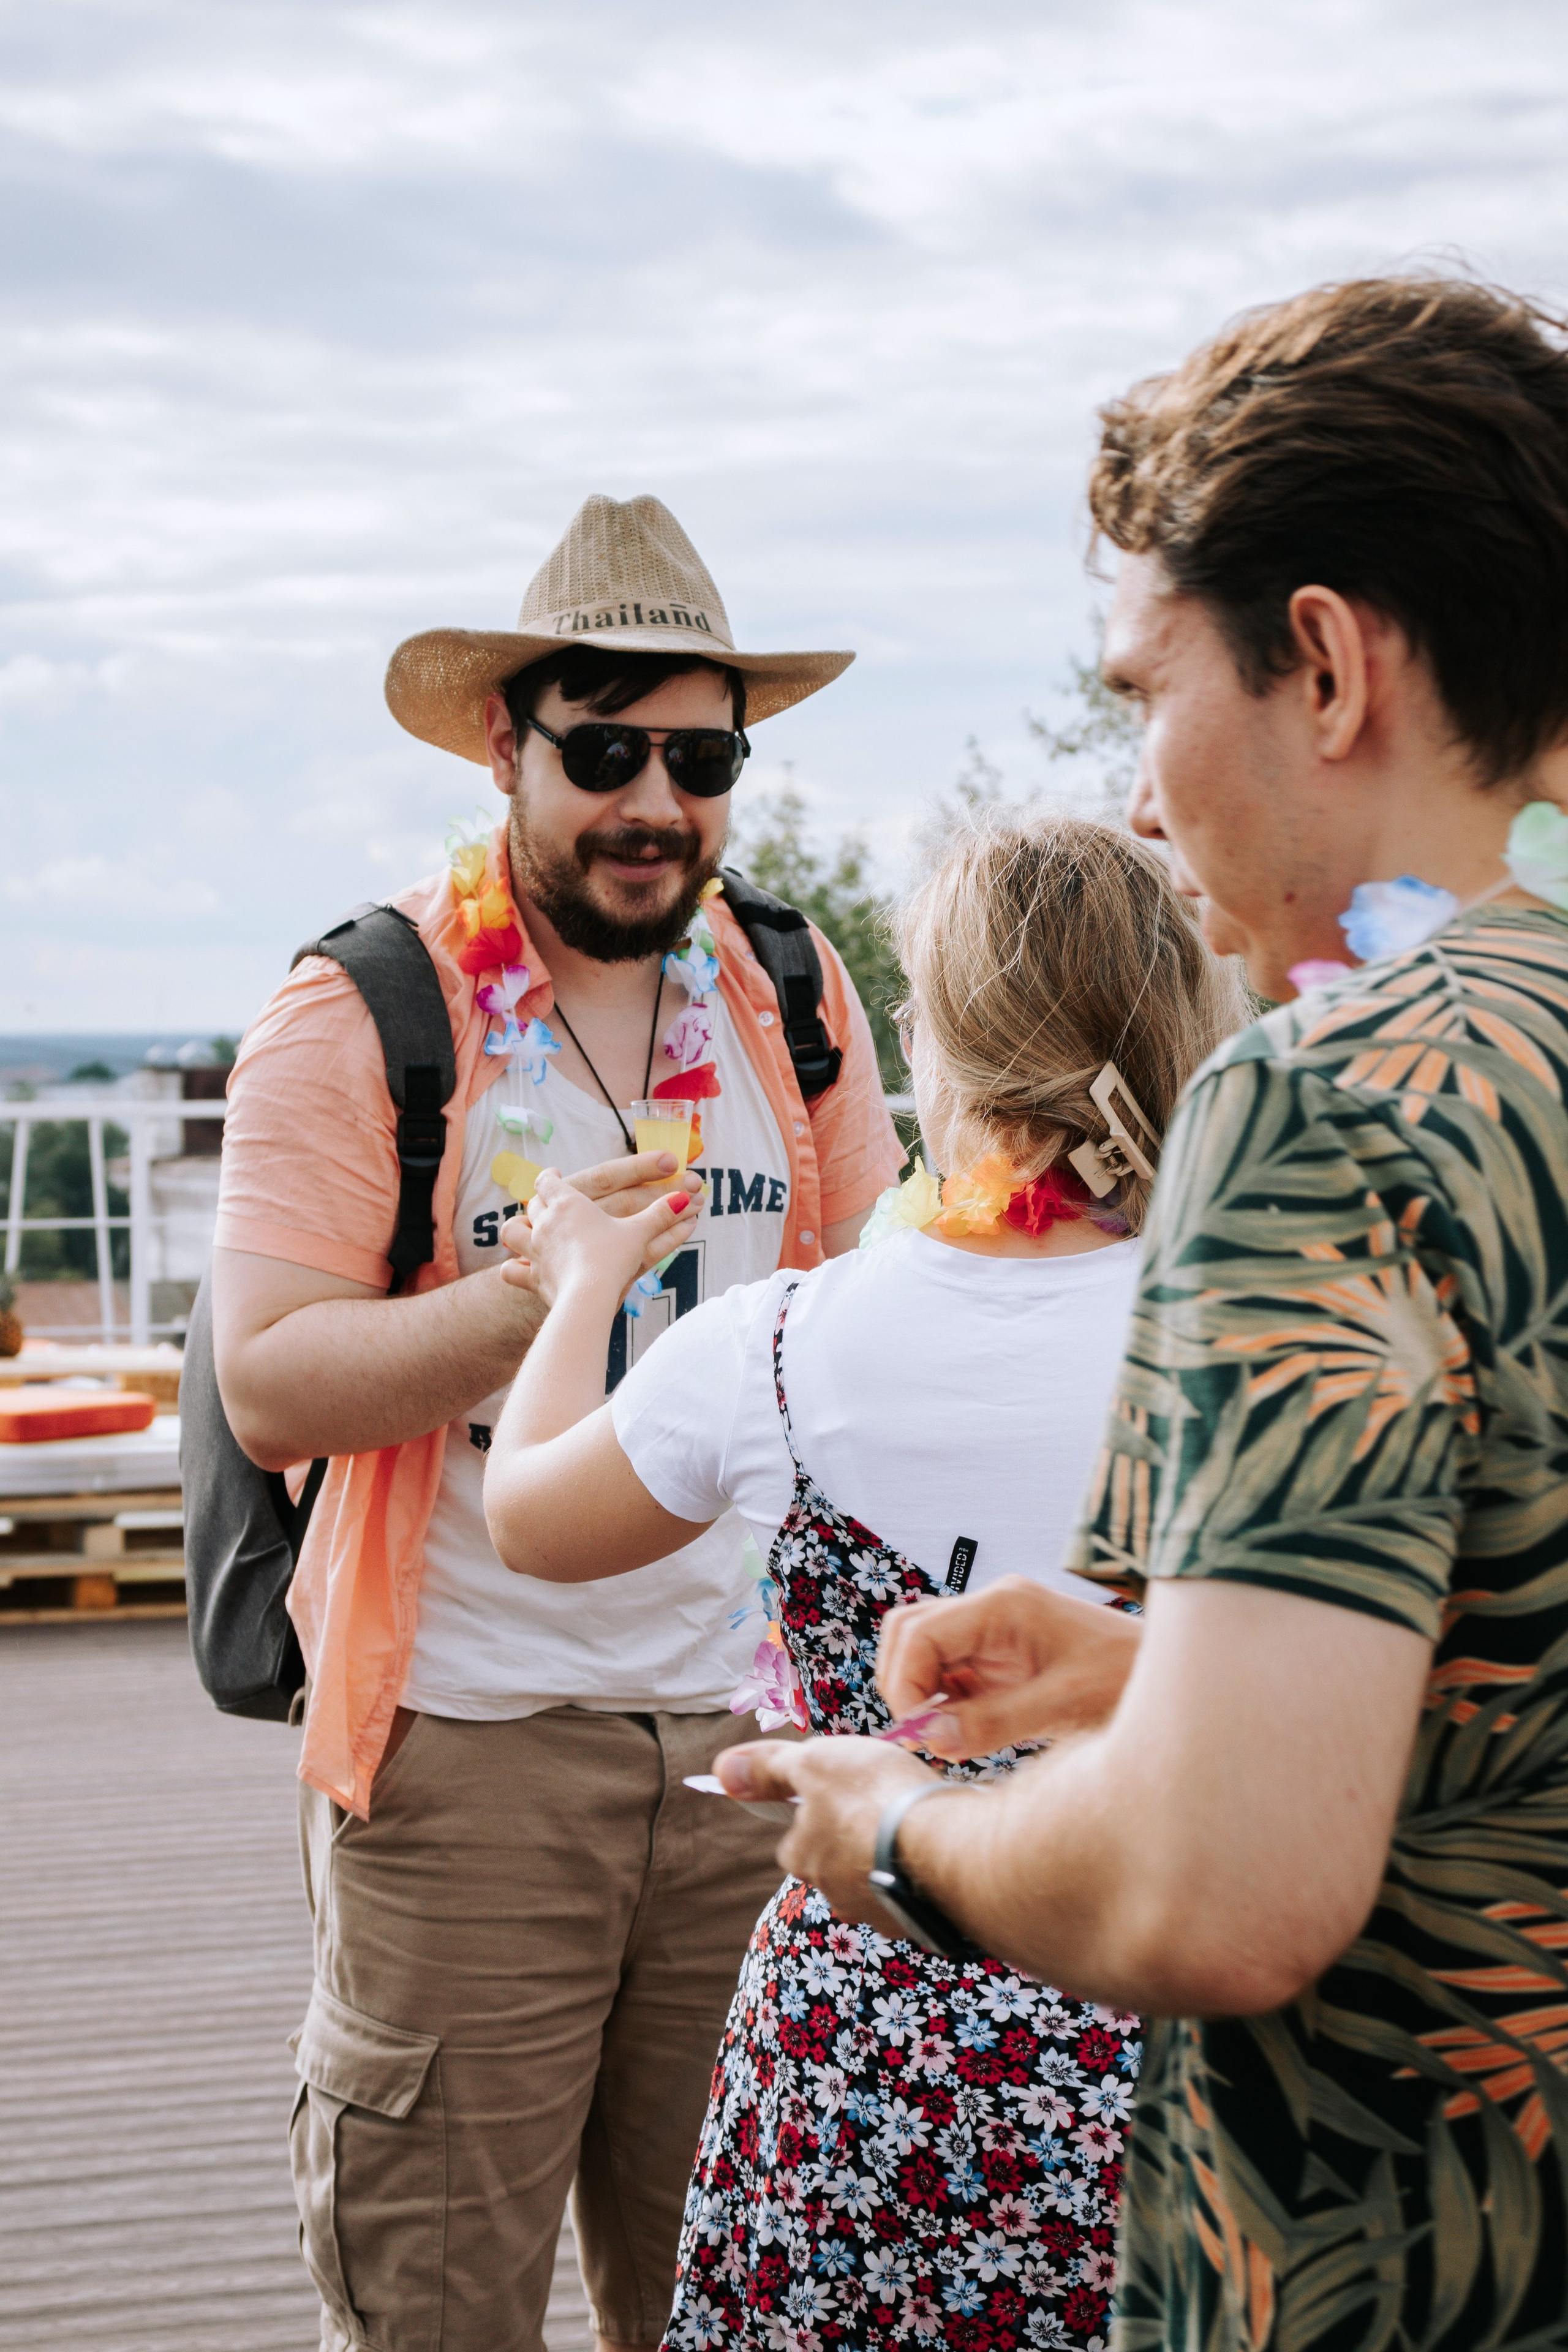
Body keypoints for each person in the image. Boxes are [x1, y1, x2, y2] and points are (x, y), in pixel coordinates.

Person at [717, 276, 1568, 2351]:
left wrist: (897, 1831)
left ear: (1325, 662)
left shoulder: (1331, 1100)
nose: (1135, 791)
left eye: (1137, 694)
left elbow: (1225, 1889)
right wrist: (1161, 1663)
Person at [209, 491, 905, 2352]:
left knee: (733, 2302)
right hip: (469, 1762)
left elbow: (869, 1312)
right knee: (441, 2306)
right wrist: (531, 1294)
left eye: (702, 753)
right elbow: (268, 1375)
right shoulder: (366, 1010)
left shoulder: (794, 992)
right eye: (605, 748)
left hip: (748, 1750)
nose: (657, 799)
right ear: (505, 750)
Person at [481, 812, 1245, 2352]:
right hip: (1193, 2034)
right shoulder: (1275, 1334)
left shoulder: (771, 1343)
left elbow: (529, 1517)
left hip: (866, 2045)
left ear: (931, 1042)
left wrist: (579, 1288)